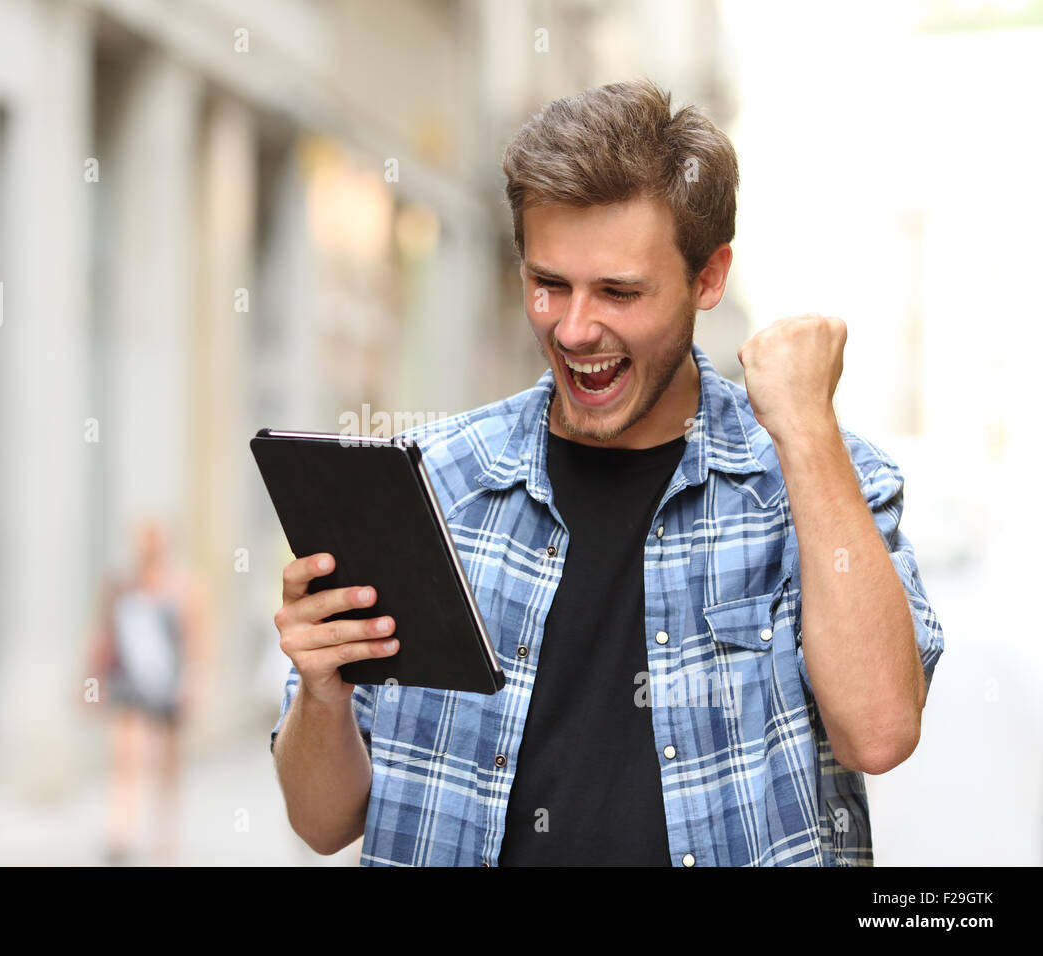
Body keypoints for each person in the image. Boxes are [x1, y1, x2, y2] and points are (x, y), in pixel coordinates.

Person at [268, 79, 944, 867]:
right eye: (548, 284)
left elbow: (880, 731)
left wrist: (806, 429)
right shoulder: (433, 483)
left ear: (709, 277)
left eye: (620, 291)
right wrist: (323, 692)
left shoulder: (815, 477)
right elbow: (323, 824)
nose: (576, 328)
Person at [86, 518, 210, 864]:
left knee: (167, 763)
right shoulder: (120, 585)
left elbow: (196, 640)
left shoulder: (186, 587)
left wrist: (195, 681)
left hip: (167, 684)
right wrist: (90, 681)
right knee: (126, 757)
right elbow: (103, 635)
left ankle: (165, 834)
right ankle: (121, 829)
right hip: (127, 682)